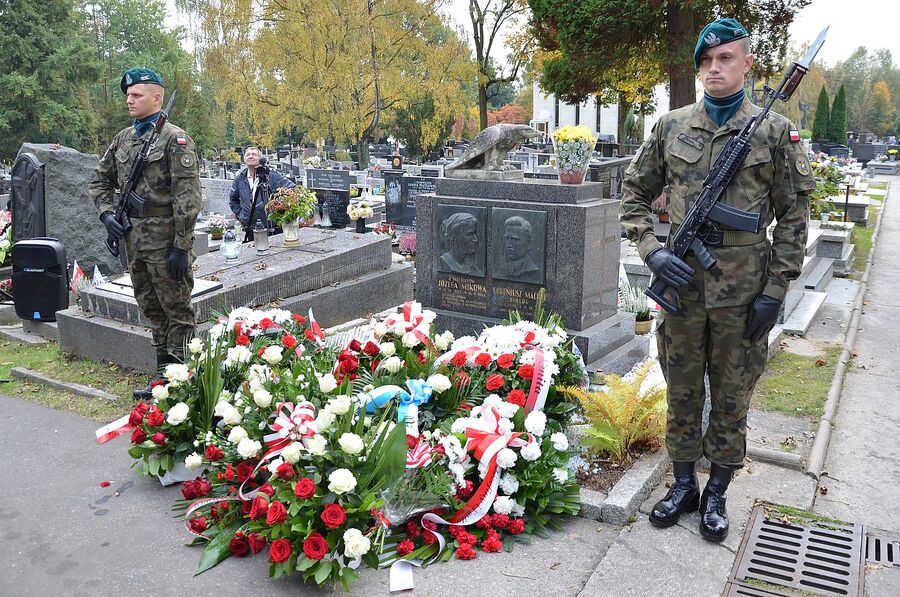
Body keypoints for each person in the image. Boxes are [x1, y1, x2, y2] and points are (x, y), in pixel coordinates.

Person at [619, 19, 815, 542]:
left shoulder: (774, 132)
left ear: (747, 64)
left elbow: (794, 218)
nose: (713, 68)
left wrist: (775, 294)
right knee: (681, 391)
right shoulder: (671, 126)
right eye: (705, 60)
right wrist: (653, 252)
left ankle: (717, 493)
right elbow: (634, 194)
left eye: (725, 58)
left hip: (743, 292)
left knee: (731, 396)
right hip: (681, 287)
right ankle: (682, 484)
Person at [90, 67, 202, 399]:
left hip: (166, 241)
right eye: (128, 94)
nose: (130, 99)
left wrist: (182, 246)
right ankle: (161, 376)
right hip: (134, 240)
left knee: (177, 311)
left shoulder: (175, 139)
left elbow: (188, 197)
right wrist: (107, 214)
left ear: (157, 98)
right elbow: (99, 181)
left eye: (137, 94)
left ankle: (182, 380)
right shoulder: (124, 139)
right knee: (151, 307)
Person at [229, 146, 295, 229]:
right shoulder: (240, 179)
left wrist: (280, 211)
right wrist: (242, 216)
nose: (250, 156)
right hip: (250, 226)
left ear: (260, 159)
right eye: (248, 155)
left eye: (254, 154)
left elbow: (292, 189)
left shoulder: (272, 175)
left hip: (271, 225)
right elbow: (233, 200)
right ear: (244, 159)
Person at [494, 216, 542, 283]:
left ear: (529, 244)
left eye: (514, 239)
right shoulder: (501, 270)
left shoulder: (535, 272)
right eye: (507, 238)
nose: (508, 244)